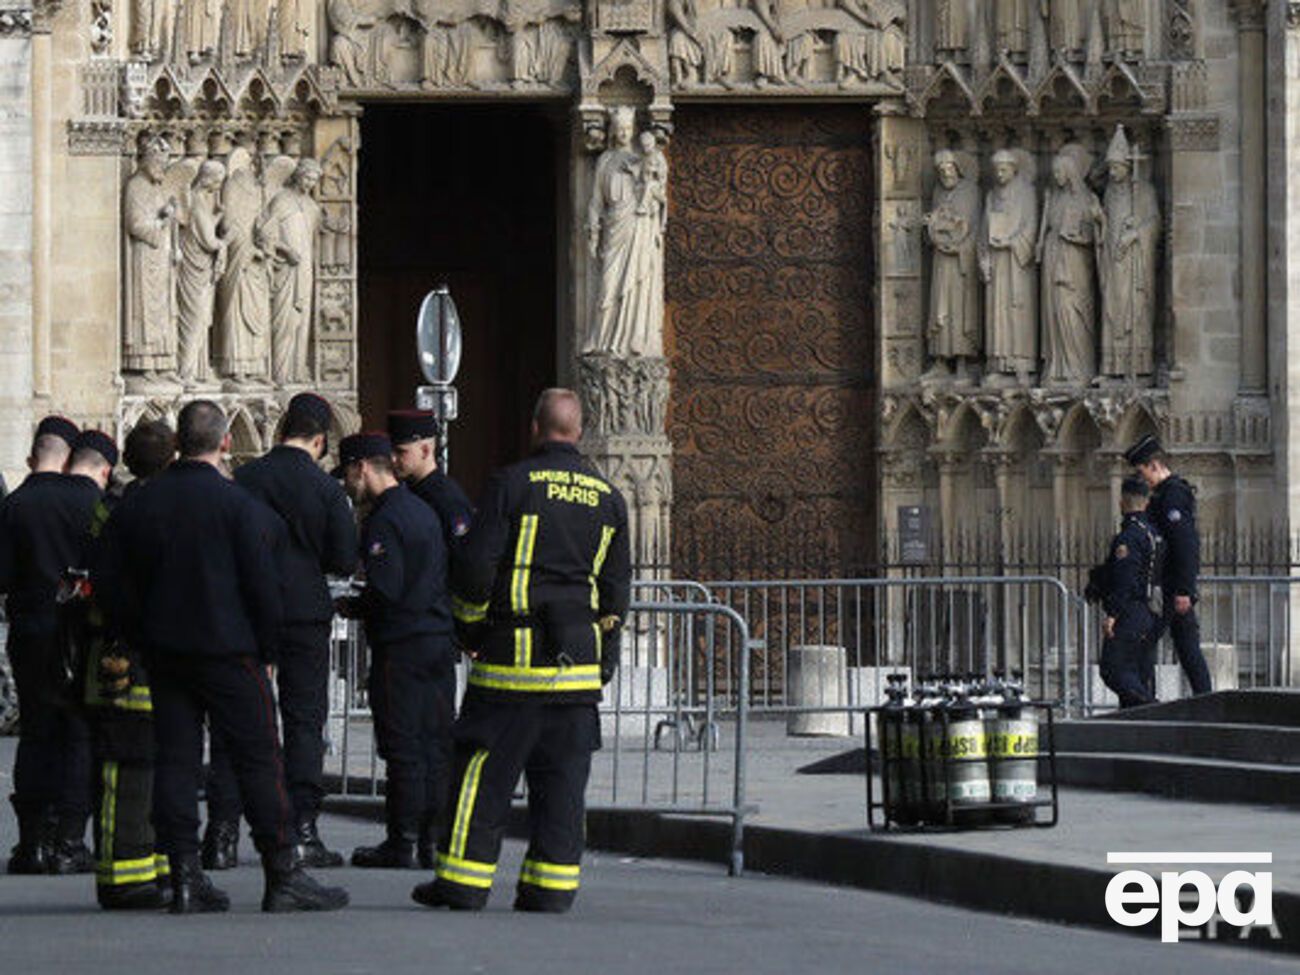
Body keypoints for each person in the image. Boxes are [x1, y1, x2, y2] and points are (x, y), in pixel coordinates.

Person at [95, 400, 347, 913]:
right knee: (259, 759)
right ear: (226, 443)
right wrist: (267, 646)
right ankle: (282, 871)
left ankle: (184, 874)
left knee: (176, 762)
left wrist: (139, 633)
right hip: (233, 652)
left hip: (165, 652)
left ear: (179, 444)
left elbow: (112, 583)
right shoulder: (241, 508)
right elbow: (264, 587)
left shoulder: (140, 505)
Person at [412, 388, 631, 914]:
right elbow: (616, 591)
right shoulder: (609, 497)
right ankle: (550, 889)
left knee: (481, 775)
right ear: (579, 432)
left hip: (512, 665)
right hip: (576, 671)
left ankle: (463, 883)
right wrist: (604, 659)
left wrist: (469, 630)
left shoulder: (512, 484)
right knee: (562, 785)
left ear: (536, 427)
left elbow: (474, 569)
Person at [203, 393, 358, 871]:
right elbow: (341, 558)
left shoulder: (245, 479)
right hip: (305, 613)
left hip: (248, 610)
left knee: (236, 722)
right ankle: (302, 830)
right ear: (318, 439)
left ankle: (222, 834)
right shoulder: (326, 490)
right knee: (305, 720)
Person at [335, 433, 456, 869]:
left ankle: (402, 840)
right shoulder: (422, 511)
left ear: (362, 468)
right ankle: (432, 841)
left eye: (348, 476)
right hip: (437, 640)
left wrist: (351, 605)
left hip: (402, 646)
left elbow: (386, 590)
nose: (348, 487)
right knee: (435, 744)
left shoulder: (384, 520)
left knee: (403, 745)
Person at [0, 415, 105, 875]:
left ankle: (31, 842)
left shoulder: (16, 504)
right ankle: (69, 840)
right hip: (80, 629)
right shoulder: (92, 502)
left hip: (30, 628)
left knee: (37, 731)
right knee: (79, 730)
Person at [81, 421, 174, 909]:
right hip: (148, 656)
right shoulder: (166, 513)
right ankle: (129, 874)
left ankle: (138, 867)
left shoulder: (110, 510)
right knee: (139, 766)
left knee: (128, 768)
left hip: (115, 654)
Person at [1124, 434, 1212, 696]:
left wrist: (1185, 588)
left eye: (1143, 471)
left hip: (1172, 586)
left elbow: (1185, 543)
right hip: (1168, 585)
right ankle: (1202, 698)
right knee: (1184, 646)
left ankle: (1145, 700)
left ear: (1154, 465)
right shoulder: (1164, 494)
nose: (1143, 480)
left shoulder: (1172, 495)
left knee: (1148, 643)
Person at [1095, 477, 1161, 709]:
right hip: (1149, 611)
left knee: (1113, 668)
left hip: (1131, 612)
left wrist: (1113, 614)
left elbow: (1125, 580)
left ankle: (1154, 708)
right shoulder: (1154, 533)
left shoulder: (1130, 537)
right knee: (1138, 674)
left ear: (1122, 503)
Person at [388, 409, 473, 551]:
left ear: (425, 451)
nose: (393, 459)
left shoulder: (447, 498)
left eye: (400, 451)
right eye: (390, 451)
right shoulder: (405, 490)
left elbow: (463, 556)